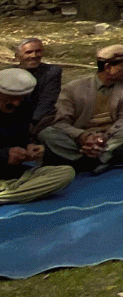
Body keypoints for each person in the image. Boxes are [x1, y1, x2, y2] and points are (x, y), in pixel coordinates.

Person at [39, 44, 123, 174]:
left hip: (110, 139)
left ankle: (90, 159)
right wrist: (83, 136)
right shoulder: (74, 88)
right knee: (47, 134)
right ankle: (98, 160)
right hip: (81, 140)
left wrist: (104, 138)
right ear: (108, 68)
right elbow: (61, 122)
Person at [0, 67, 74, 204]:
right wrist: (5, 155)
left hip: (12, 173)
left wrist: (29, 147)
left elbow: (21, 135)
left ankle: (8, 193)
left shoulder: (24, 106)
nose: (16, 103)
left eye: (21, 98)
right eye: (11, 98)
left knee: (66, 173)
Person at [14, 37, 61, 134]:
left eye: (38, 51)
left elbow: (47, 101)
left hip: (39, 119)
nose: (34, 56)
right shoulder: (8, 73)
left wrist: (32, 123)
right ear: (17, 56)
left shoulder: (51, 72)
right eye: (28, 52)